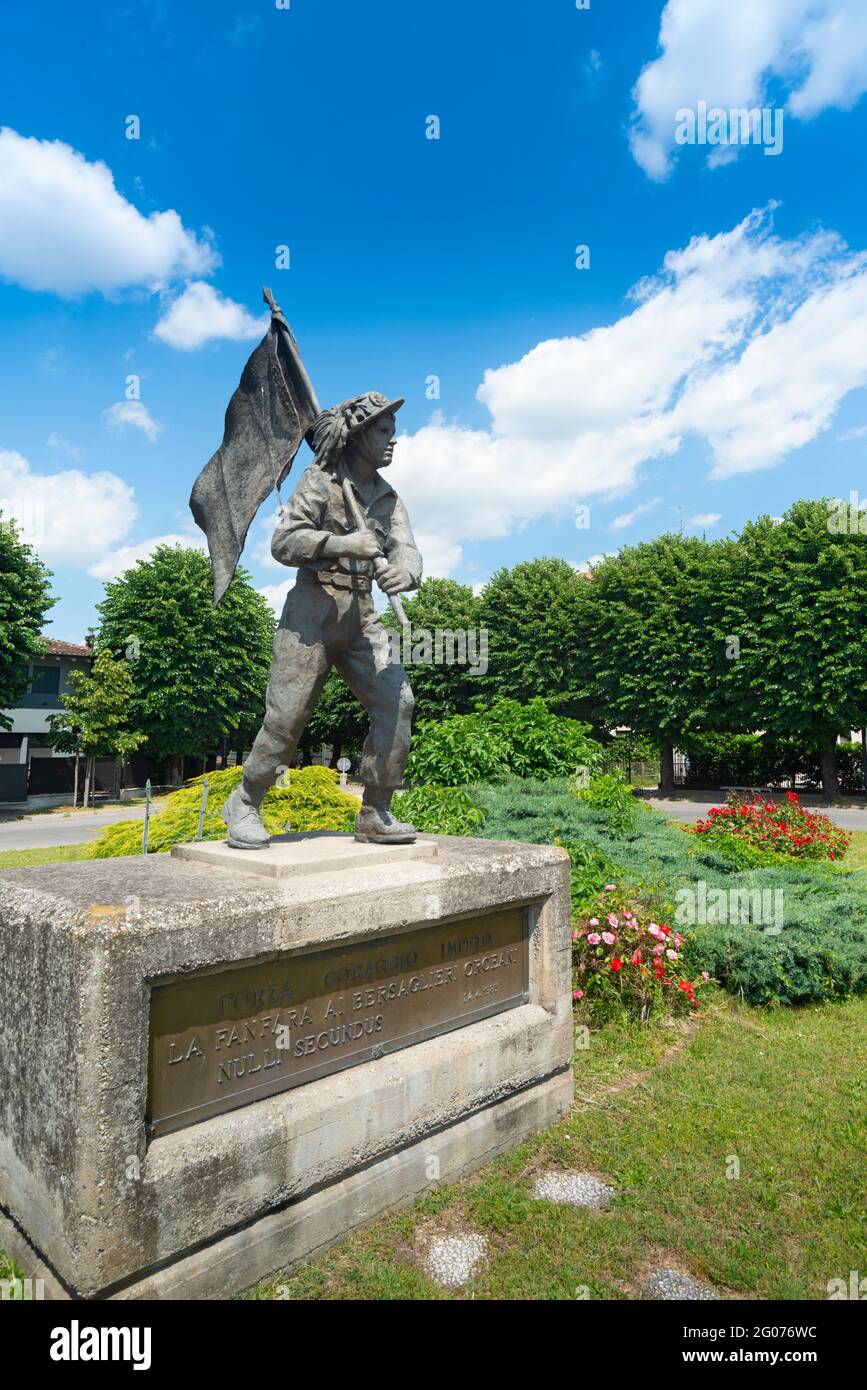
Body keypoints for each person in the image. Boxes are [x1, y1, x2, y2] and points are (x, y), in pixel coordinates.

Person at [222, 391, 422, 849]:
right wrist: (342, 544)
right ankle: (247, 801)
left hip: (363, 614)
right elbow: (284, 542)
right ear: (356, 436)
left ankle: (375, 810)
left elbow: (407, 549)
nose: (393, 440)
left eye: (393, 430)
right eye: (382, 431)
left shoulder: (387, 498)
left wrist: (403, 572)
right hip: (312, 611)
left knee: (398, 702)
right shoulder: (320, 480)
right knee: (287, 716)